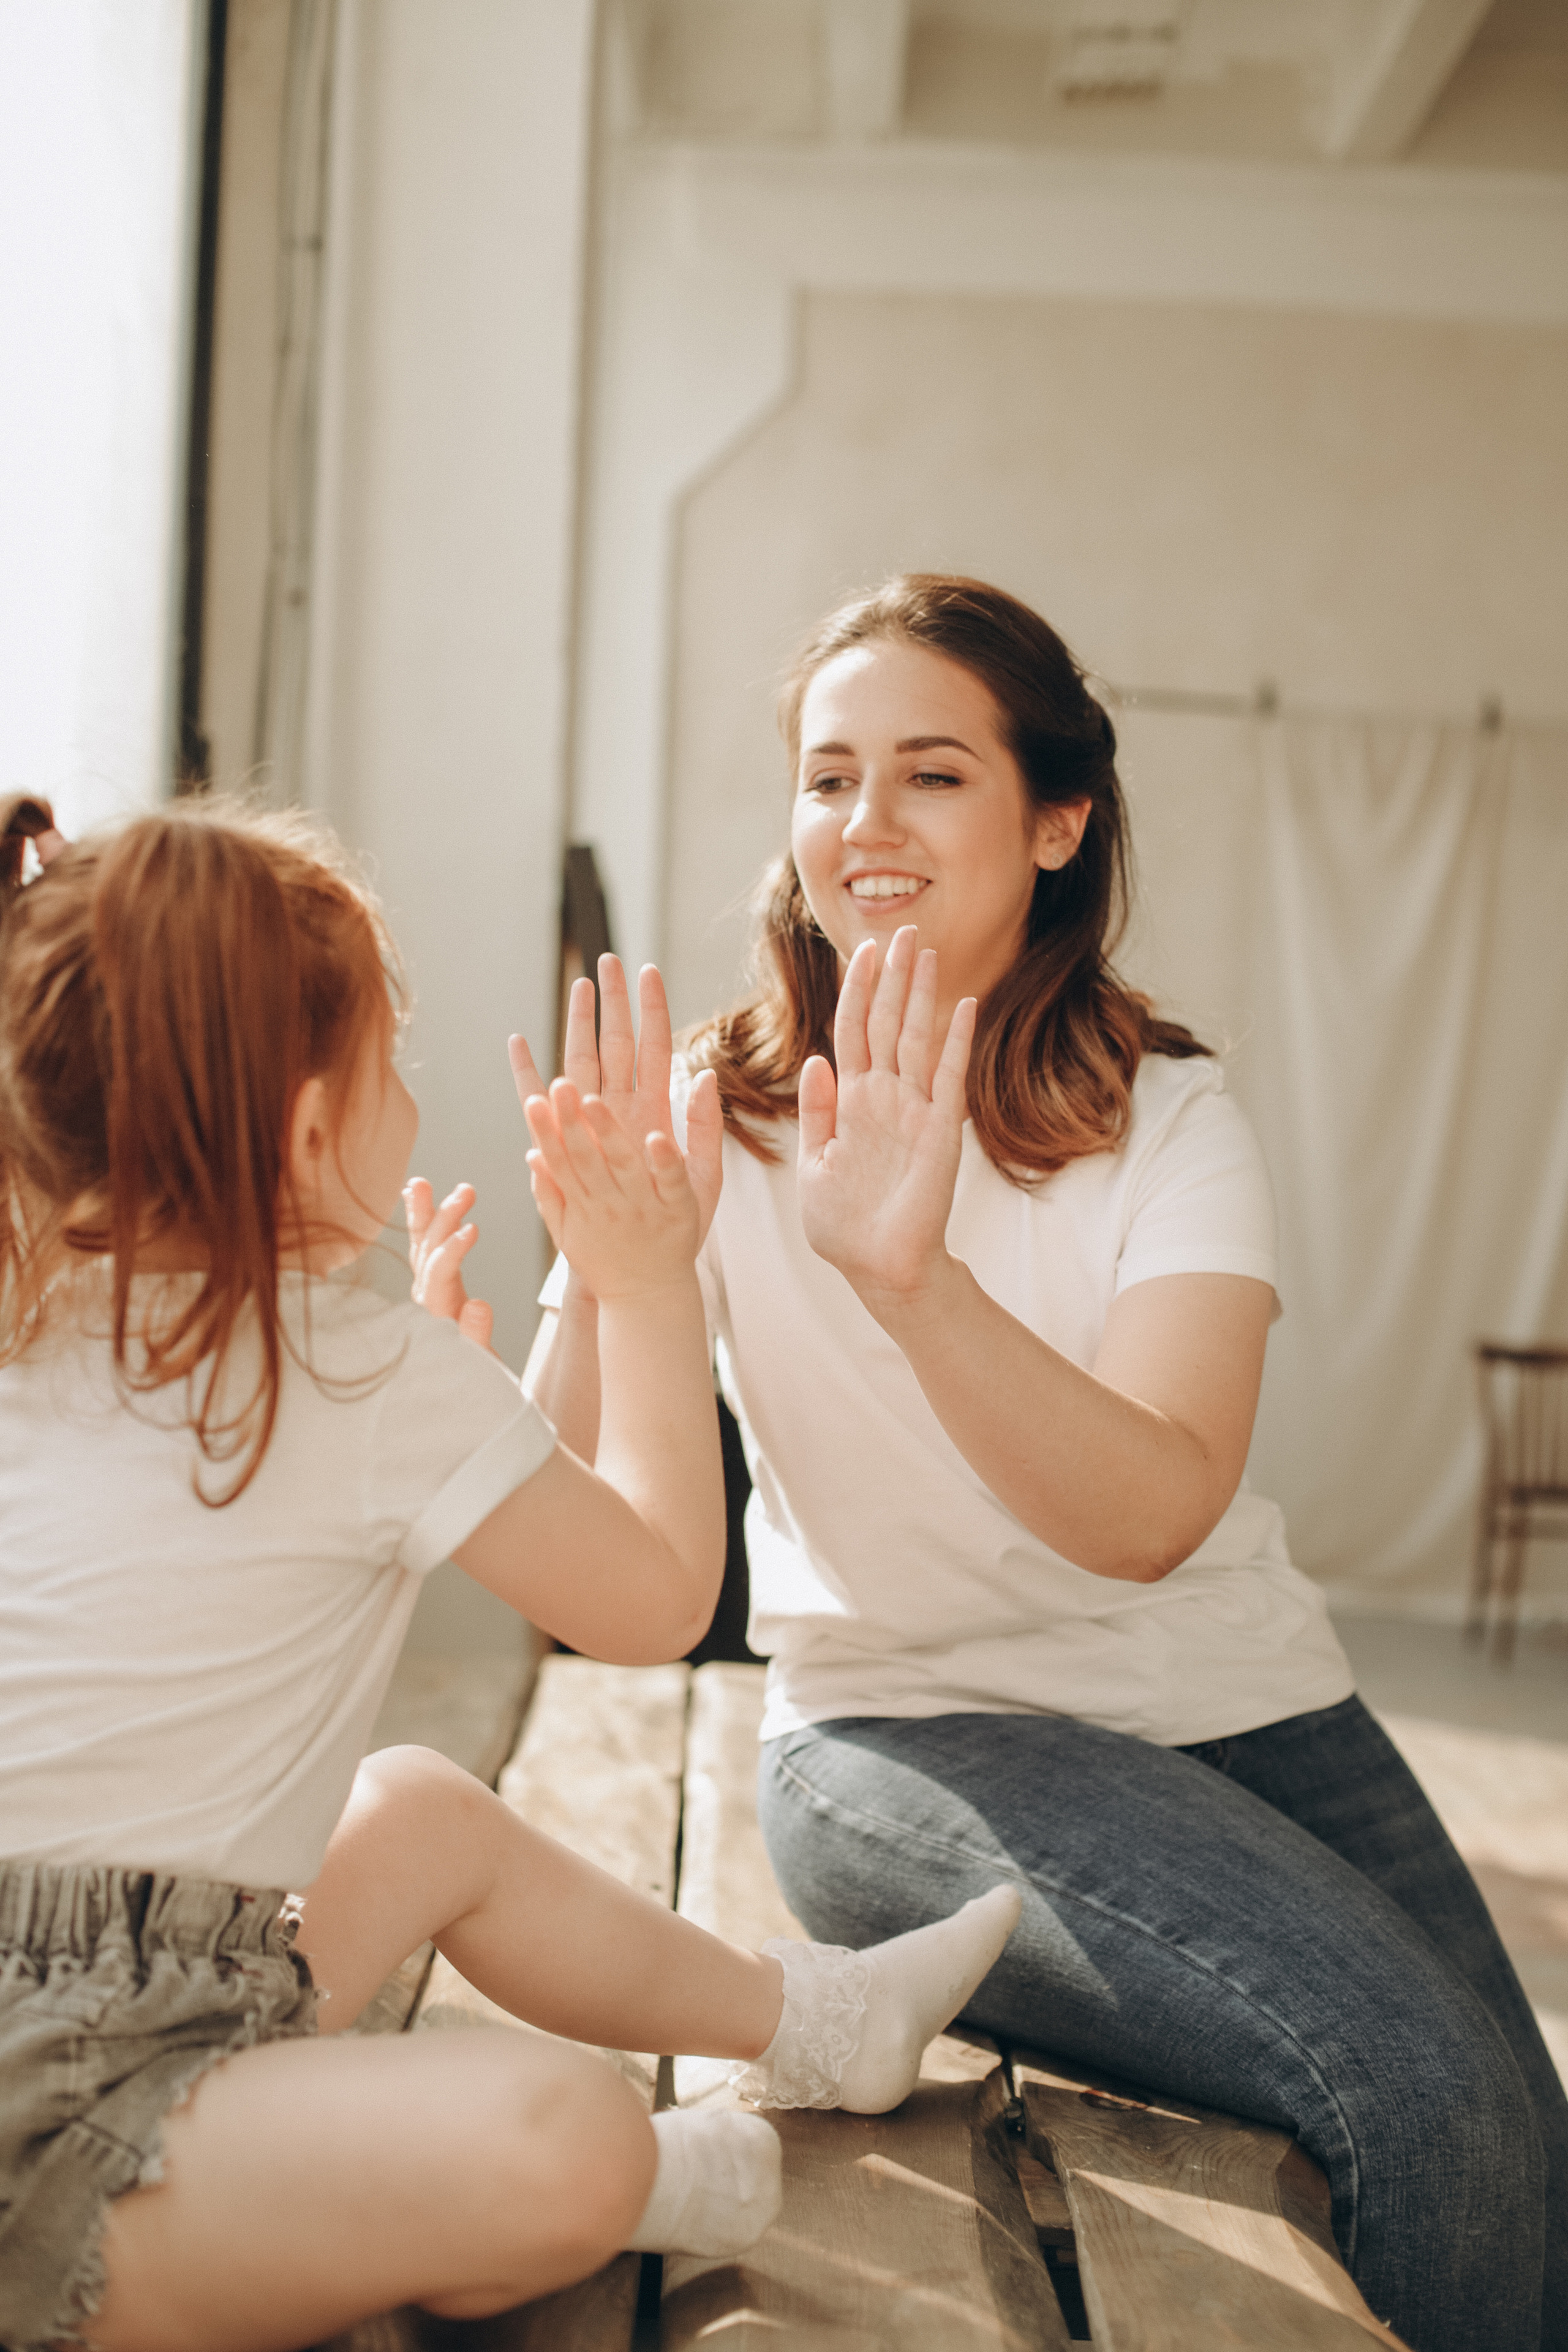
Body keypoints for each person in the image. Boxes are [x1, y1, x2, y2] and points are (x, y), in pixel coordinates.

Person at [524, 575, 1568, 2352]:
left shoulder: (1171, 1118)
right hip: (905, 1737)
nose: (865, 823)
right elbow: (551, 1504)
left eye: (932, 775)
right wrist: (622, 1274)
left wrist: (910, 1281)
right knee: (1416, 2094)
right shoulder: (724, 1102)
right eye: (828, 774)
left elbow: (1156, 1513)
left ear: (1059, 819)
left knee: (1518, 2147)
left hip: (1252, 1711)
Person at [0, 794, 1022, 2352]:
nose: (411, 1097)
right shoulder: (348, 1370)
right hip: (58, 2138)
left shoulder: (62, 1319)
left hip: (155, 1978)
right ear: (308, 1133)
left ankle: (830, 2022)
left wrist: (509, 1355)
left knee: (415, 1805)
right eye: (390, 1064)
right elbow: (655, 1592)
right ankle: (634, 2184)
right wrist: (644, 1283)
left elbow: (506, 1521)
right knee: (564, 2132)